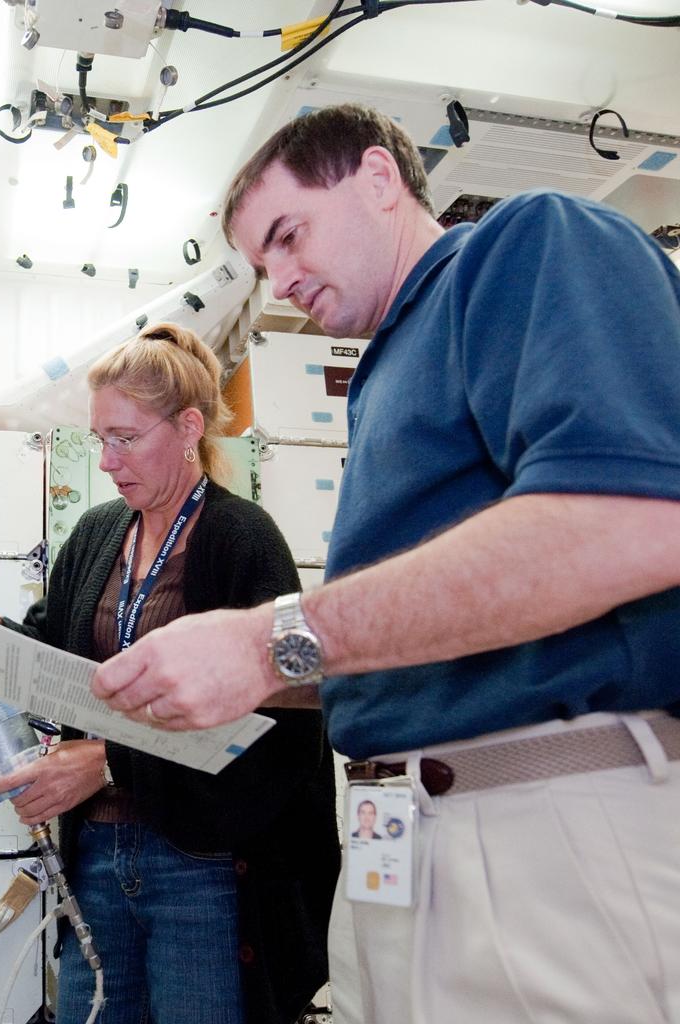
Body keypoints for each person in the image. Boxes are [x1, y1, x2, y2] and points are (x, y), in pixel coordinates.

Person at [88, 103, 680, 1024]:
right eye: (261, 265)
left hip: (536, 826)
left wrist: (266, 640)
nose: (279, 283)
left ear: (377, 178)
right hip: (397, 840)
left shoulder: (522, 246)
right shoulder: (386, 369)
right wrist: (233, 675)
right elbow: (419, 645)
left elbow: (630, 521)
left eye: (288, 237)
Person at [0, 324, 339, 1024]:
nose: (109, 460)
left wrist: (109, 764)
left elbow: (279, 731)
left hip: (206, 865)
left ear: (188, 427)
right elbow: (56, 646)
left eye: (125, 437)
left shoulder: (242, 539)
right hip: (96, 855)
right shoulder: (95, 533)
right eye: (99, 440)